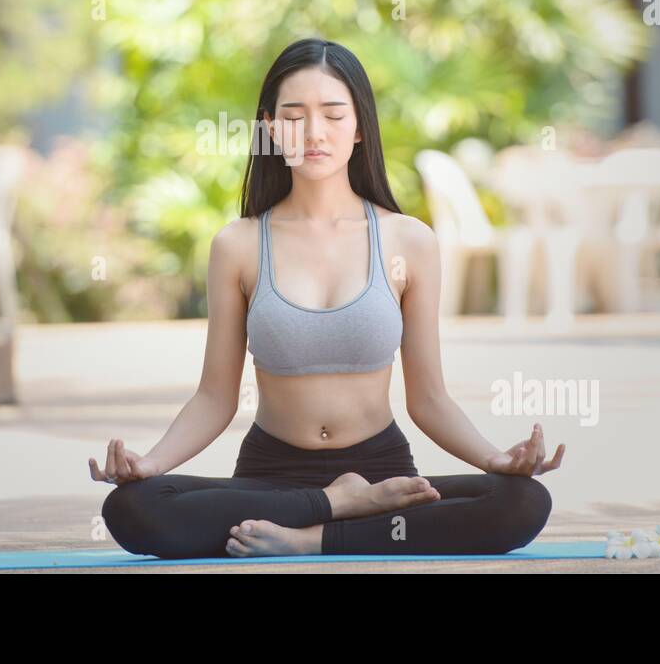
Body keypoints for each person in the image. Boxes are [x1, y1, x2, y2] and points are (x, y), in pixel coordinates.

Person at [90, 38, 563, 559]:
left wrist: (495, 460)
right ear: (270, 128)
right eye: (294, 117)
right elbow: (214, 398)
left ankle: (308, 538)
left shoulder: (409, 241)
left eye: (334, 115)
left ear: (359, 127)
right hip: (273, 479)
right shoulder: (238, 244)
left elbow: (429, 400)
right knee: (133, 507)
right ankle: (339, 507)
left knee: (521, 501)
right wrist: (151, 464)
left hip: (381, 474)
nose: (314, 132)